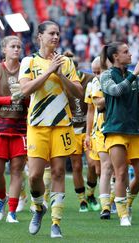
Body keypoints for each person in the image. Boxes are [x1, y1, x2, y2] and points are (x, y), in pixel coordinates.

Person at [19, 20, 83, 238]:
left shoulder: (65, 62)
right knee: (35, 175)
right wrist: (48, 72)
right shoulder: (29, 61)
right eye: (51, 33)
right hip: (37, 125)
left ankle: (56, 223)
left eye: (58, 33)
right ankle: (39, 207)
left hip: (62, 125)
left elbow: (79, 93)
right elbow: (25, 90)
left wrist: (61, 74)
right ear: (40, 36)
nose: (55, 37)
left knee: (57, 172)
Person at [99, 42, 139, 226]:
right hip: (115, 129)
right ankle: (123, 215)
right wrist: (135, 75)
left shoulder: (133, 76)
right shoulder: (105, 75)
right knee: (120, 173)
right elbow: (116, 91)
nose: (130, 55)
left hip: (136, 129)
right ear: (115, 57)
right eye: (126, 52)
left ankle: (126, 203)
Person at [0, 35, 28, 223]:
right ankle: (2, 199)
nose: (17, 49)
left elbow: (29, 99)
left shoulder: (27, 71)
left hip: (20, 128)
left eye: (19, 46)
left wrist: (24, 97)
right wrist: (11, 99)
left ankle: (12, 211)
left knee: (17, 170)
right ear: (4, 50)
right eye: (13, 46)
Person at [65, 51, 100, 213]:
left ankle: (91, 194)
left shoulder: (89, 79)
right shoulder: (62, 81)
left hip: (88, 129)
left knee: (93, 165)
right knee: (76, 166)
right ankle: (82, 200)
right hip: (71, 130)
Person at [84, 56, 114, 219]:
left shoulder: (112, 81)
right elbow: (90, 111)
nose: (96, 75)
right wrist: (87, 134)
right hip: (98, 131)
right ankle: (97, 196)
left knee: (112, 168)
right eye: (94, 72)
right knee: (98, 168)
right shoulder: (92, 85)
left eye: (99, 71)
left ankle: (110, 202)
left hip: (115, 128)